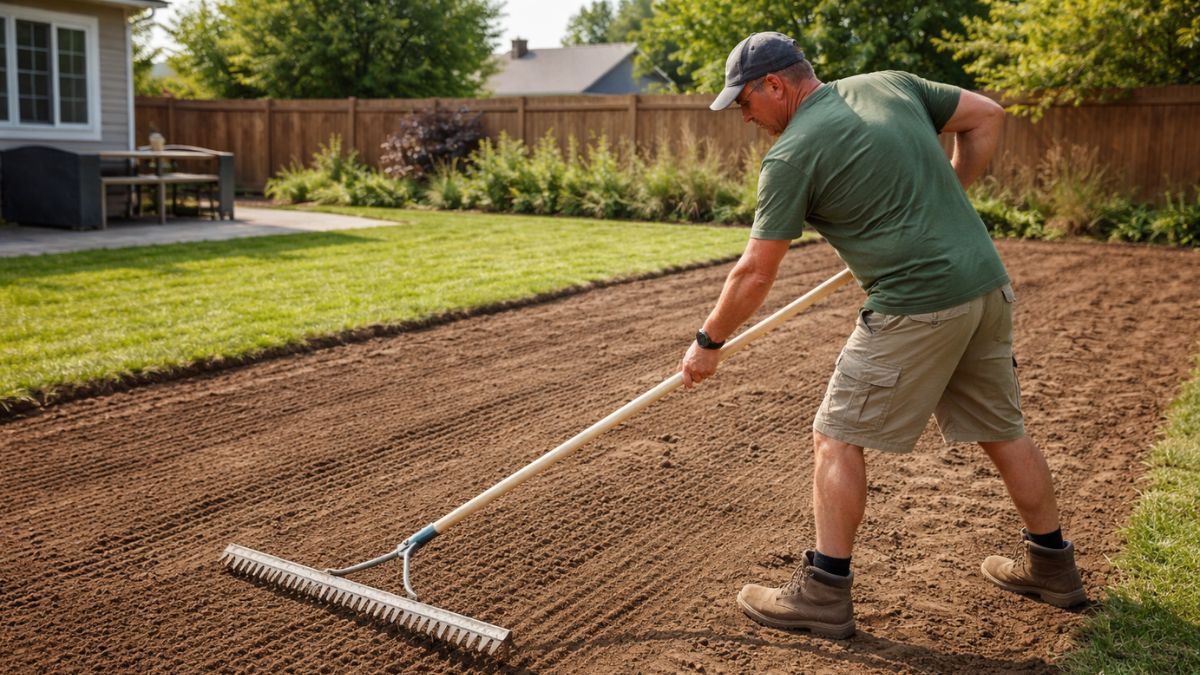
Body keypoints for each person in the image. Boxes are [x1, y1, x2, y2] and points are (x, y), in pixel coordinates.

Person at [679, 32, 1087, 640]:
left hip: (917, 303)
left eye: (744, 102)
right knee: (1003, 431)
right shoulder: (890, 84)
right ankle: (1054, 569)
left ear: (775, 85)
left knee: (835, 438)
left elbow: (754, 271)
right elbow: (986, 117)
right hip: (984, 286)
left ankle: (823, 592)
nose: (744, 117)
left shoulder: (791, 156)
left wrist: (707, 342)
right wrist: (948, 194)